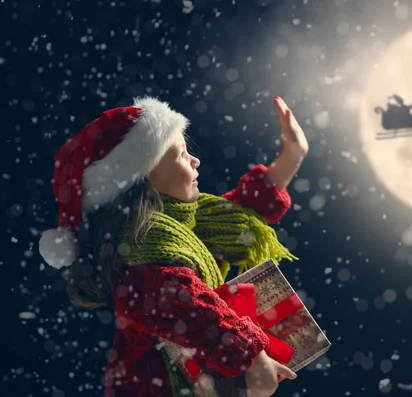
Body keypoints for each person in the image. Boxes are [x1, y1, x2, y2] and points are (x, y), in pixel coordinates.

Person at [38, 96, 309, 397]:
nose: (196, 160)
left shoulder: (184, 226)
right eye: (181, 155)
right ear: (145, 182)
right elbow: (183, 304)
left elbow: (239, 218)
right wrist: (251, 357)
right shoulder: (143, 251)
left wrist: (292, 156)